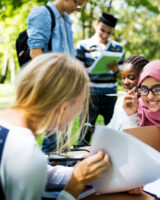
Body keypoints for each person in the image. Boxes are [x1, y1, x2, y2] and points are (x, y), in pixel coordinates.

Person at [0, 53, 110, 200]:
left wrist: (79, 172)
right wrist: (75, 184)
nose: (78, 114)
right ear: (63, 108)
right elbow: (30, 167)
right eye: (80, 104)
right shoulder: (26, 154)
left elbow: (42, 172)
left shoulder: (9, 132)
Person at [27, 0, 88, 152]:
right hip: (53, 85)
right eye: (78, 3)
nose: (79, 9)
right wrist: (54, 84)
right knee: (53, 136)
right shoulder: (42, 14)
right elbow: (35, 53)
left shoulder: (66, 19)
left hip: (67, 86)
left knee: (62, 136)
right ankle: (47, 169)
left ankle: (60, 166)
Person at [76, 13, 125, 146]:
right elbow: (77, 72)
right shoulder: (83, 45)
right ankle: (80, 161)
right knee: (84, 132)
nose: (104, 34)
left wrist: (116, 70)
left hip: (110, 95)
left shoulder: (118, 48)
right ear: (96, 25)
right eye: (102, 30)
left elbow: (122, 77)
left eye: (109, 32)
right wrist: (91, 68)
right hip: (90, 95)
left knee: (113, 129)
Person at [107, 55, 149, 131]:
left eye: (131, 78)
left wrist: (133, 114)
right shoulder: (121, 99)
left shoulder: (149, 104)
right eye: (123, 77)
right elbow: (113, 123)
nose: (125, 82)